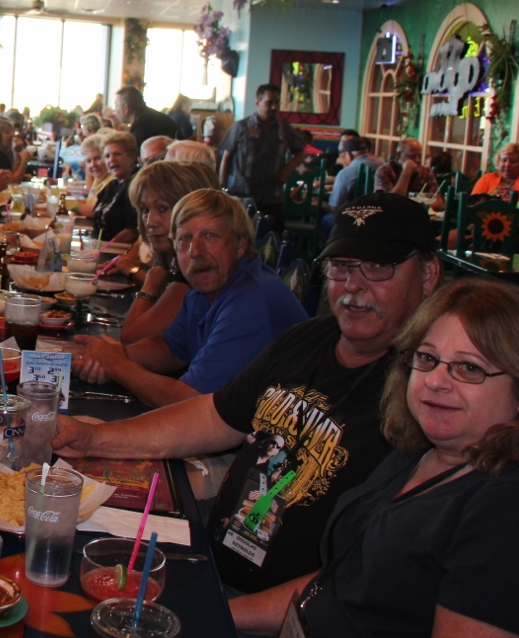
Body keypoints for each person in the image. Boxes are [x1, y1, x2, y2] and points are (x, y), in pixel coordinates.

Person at [54, 191, 442, 614]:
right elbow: (213, 415)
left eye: (379, 267)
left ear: (428, 274)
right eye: (341, 267)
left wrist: (215, 618)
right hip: (212, 559)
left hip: (261, 612)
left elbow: (354, 580)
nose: (353, 286)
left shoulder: (428, 396)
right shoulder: (309, 339)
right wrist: (92, 438)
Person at [240, 277, 519, 636]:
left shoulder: (509, 507)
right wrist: (220, 613)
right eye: (427, 358)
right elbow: (340, 585)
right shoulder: (417, 454)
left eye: (469, 367)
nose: (435, 380)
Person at [73, 188, 308, 407]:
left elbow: (189, 400)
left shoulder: (249, 300)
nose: (195, 251)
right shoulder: (204, 287)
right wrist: (114, 354)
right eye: (185, 238)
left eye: (211, 235)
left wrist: (118, 366)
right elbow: (170, 349)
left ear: (240, 244)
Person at [118, 160, 221, 344]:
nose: (150, 222)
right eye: (145, 210)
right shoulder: (170, 256)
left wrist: (150, 285)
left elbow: (131, 335)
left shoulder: (197, 264)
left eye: (163, 209)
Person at [219, 83, 307, 225]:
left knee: (274, 236)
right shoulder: (241, 127)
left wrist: (287, 168)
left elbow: (300, 151)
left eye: (277, 102)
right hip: (243, 194)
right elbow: (227, 157)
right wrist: (222, 188)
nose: (274, 107)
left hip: (272, 196)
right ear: (257, 102)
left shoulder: (284, 129)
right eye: (269, 103)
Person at [320, 136, 385, 242]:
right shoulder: (381, 163)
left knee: (325, 219)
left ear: (349, 154)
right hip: (381, 217)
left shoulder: (346, 173)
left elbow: (335, 207)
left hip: (354, 219)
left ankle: (328, 250)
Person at [89, 130, 140, 244]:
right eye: (107, 156)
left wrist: (103, 249)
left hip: (118, 251)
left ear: (132, 157)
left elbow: (131, 232)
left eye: (117, 154)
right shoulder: (111, 186)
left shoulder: (136, 185)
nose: (111, 160)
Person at [113, 86, 178, 148]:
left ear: (126, 108)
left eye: (116, 106)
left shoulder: (142, 125)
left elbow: (137, 153)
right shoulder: (152, 116)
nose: (114, 111)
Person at [78, 133, 113, 217]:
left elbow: (98, 211)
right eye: (88, 161)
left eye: (97, 158)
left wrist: (73, 205)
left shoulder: (113, 181)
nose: (93, 165)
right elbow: (90, 202)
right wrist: (68, 200)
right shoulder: (99, 179)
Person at [0, 117, 29, 181]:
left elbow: (11, 175)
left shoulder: (3, 153)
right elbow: (11, 183)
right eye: (7, 132)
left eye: (12, 131)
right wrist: (24, 161)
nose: (12, 134)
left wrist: (21, 176)